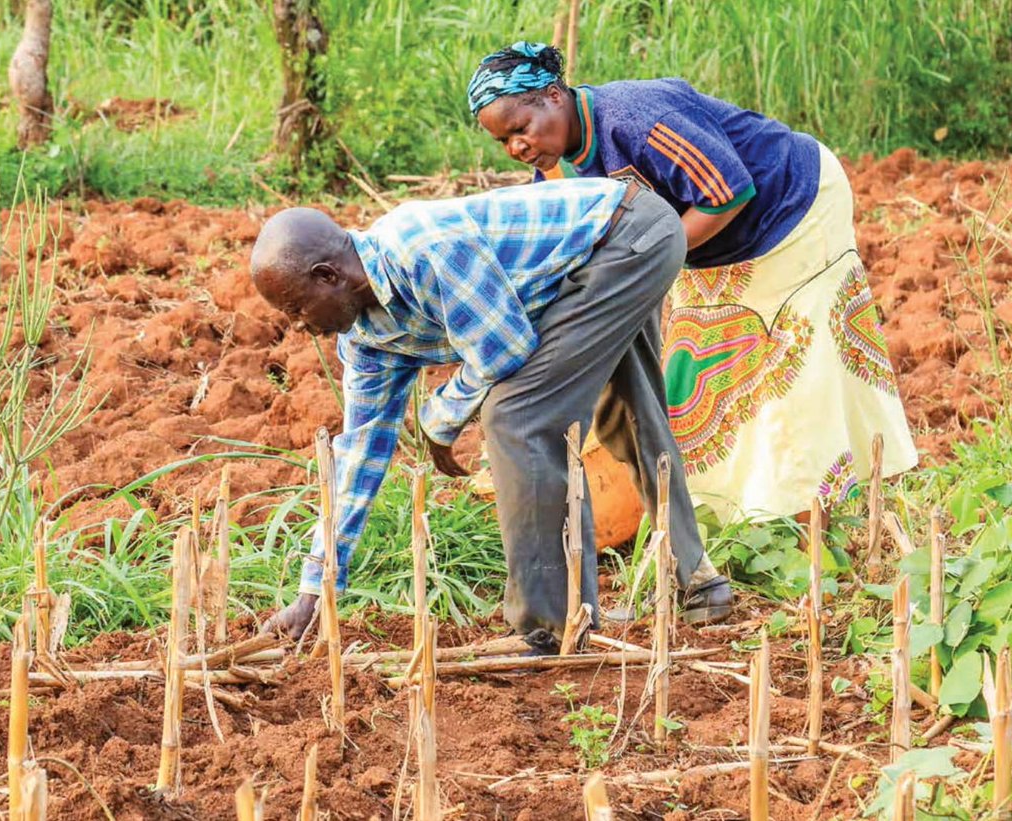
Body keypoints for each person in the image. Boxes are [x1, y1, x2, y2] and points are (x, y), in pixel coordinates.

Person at [253, 177, 734, 652]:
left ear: (327, 276)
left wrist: (439, 418)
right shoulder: (365, 341)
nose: (300, 327)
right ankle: (697, 582)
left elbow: (504, 352)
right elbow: (358, 458)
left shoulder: (422, 248)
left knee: (519, 417)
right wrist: (316, 589)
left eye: (296, 309)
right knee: (627, 413)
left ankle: (551, 626)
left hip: (626, 237)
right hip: (589, 263)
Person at [468, 43, 917, 531]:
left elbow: (728, 191)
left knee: (794, 366)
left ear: (554, 96)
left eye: (520, 129)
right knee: (696, 374)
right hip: (707, 245)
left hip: (791, 210)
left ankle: (808, 519)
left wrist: (641, 263)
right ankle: (727, 516)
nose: (517, 147)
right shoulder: (554, 174)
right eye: (503, 142)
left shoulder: (634, 118)